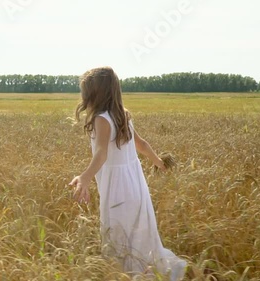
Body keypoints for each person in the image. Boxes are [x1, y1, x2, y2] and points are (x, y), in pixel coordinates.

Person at [69, 67, 186, 279]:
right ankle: (150, 271)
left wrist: (85, 177)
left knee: (118, 235)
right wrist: (159, 162)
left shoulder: (102, 119)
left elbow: (102, 154)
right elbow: (141, 144)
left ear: (94, 94)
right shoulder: (123, 115)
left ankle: (134, 275)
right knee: (138, 234)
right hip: (135, 185)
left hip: (117, 188)